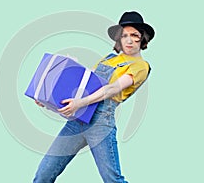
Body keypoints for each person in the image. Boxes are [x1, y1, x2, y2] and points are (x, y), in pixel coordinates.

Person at [33, 11, 155, 183]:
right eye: (124, 35)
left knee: (112, 179)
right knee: (44, 174)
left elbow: (111, 89)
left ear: (142, 39)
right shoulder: (109, 59)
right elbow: (84, 87)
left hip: (100, 124)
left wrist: (80, 102)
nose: (128, 40)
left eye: (134, 35)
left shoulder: (141, 66)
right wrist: (48, 100)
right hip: (78, 119)